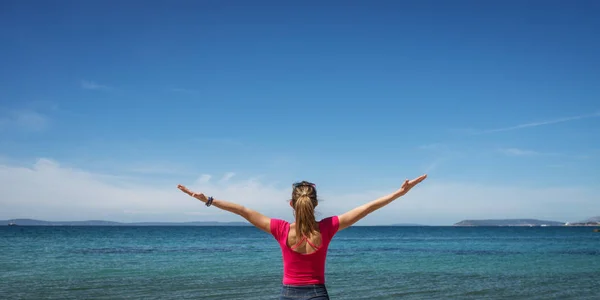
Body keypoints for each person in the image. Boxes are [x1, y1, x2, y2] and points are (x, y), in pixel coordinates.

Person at [177, 174, 427, 299]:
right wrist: (398, 194)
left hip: (289, 294)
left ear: (291, 204)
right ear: (315, 203)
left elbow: (241, 210)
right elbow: (368, 208)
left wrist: (208, 200)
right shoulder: (328, 228)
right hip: (318, 294)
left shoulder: (280, 229)